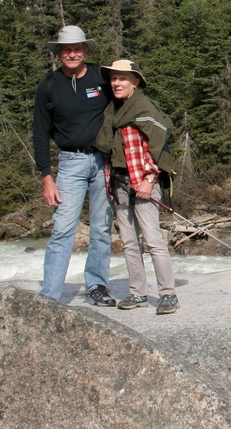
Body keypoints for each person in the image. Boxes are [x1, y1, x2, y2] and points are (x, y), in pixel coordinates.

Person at [32, 25, 116, 307]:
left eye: (76, 49)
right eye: (66, 49)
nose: (71, 54)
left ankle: (97, 286)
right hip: (70, 163)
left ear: (85, 50)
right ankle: (51, 295)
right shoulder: (49, 86)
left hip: (103, 161)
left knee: (102, 228)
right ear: (58, 53)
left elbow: (124, 108)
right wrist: (46, 177)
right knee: (63, 229)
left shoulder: (101, 78)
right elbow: (40, 133)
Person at [97, 59, 179, 315]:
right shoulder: (113, 110)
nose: (116, 83)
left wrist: (149, 179)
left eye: (122, 78)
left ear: (135, 82)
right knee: (130, 241)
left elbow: (157, 147)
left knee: (153, 240)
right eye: (113, 79)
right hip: (120, 182)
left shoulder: (143, 107)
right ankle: (138, 292)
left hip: (144, 181)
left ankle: (168, 294)